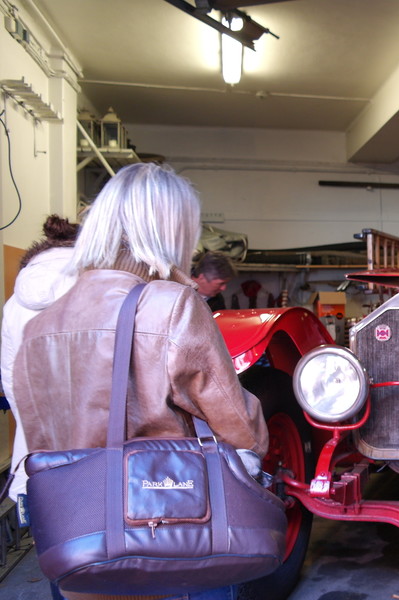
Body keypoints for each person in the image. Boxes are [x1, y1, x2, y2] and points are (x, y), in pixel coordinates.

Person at [12, 163, 268, 600]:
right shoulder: (170, 305)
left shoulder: (40, 325)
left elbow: (42, 435)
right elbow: (237, 426)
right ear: (173, 232)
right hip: (171, 533)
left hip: (76, 542)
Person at [1, 215, 79, 501]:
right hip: (87, 452)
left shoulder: (14, 303)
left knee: (38, 505)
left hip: (33, 446)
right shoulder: (95, 292)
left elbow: (11, 378)